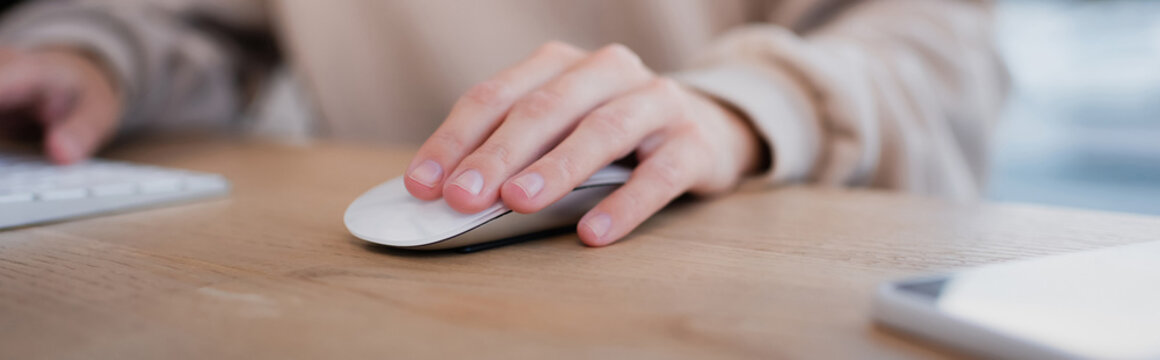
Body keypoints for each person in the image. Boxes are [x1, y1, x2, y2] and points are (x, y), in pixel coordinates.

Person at [0, 0, 1007, 246]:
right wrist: (87, 55)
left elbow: (936, 47)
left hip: (771, 266)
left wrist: (743, 106)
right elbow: (195, 19)